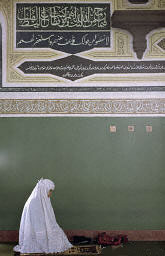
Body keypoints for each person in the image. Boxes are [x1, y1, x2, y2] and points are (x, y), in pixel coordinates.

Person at [14, 178, 73, 254]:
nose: (50, 193)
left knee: (58, 235)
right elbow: (32, 222)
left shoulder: (45, 200)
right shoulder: (33, 201)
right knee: (55, 236)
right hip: (36, 230)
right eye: (50, 191)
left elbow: (49, 217)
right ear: (44, 189)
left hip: (43, 227)